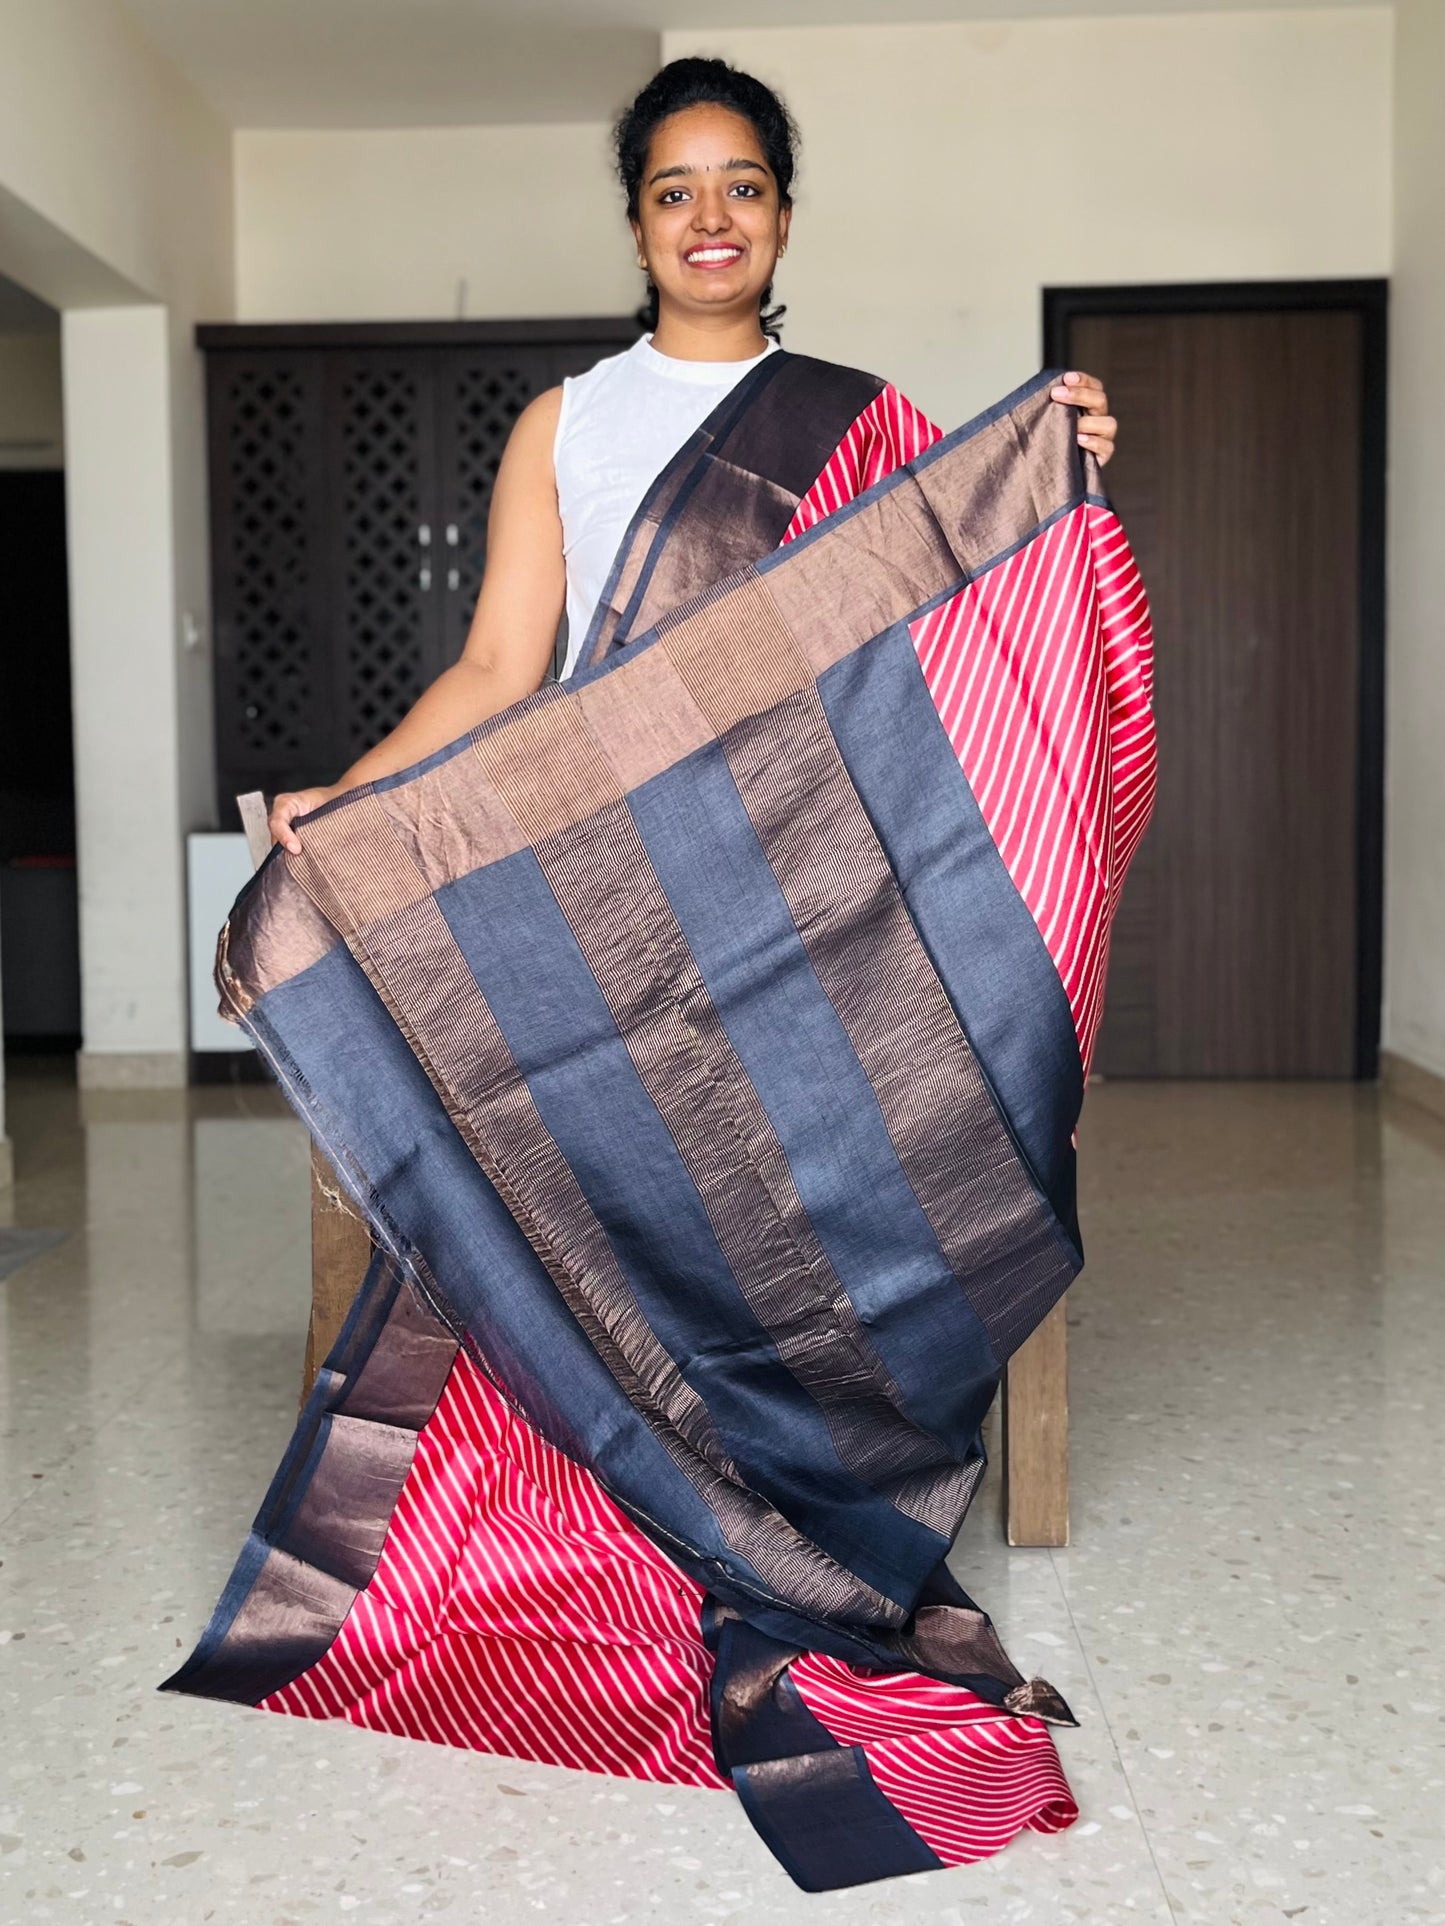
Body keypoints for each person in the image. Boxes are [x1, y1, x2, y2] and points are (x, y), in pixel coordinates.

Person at [267, 57, 1117, 854]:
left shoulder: (860, 420)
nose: (711, 217)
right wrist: (349, 791)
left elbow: (971, 615)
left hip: (809, 849)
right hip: (615, 848)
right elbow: (494, 669)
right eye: (674, 194)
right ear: (639, 234)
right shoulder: (561, 423)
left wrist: (1059, 470)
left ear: (782, 224)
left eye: (743, 189)